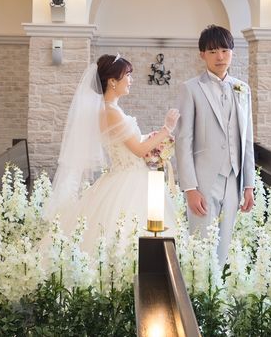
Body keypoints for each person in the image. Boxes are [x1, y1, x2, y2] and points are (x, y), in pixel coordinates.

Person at [45, 54, 180, 255]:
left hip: (127, 175)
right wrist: (166, 129)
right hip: (129, 178)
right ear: (112, 81)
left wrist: (153, 142)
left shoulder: (111, 109)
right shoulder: (111, 112)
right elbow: (138, 150)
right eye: (128, 75)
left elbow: (129, 144)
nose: (131, 80)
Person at [175, 25, 255, 266]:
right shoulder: (190, 88)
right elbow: (183, 140)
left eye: (224, 50)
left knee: (223, 248)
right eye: (212, 52)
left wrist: (249, 185)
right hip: (203, 181)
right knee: (200, 247)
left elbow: (247, 139)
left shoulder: (242, 89)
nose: (220, 57)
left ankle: (217, 289)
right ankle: (196, 289)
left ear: (232, 52)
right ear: (202, 55)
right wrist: (190, 188)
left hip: (233, 179)